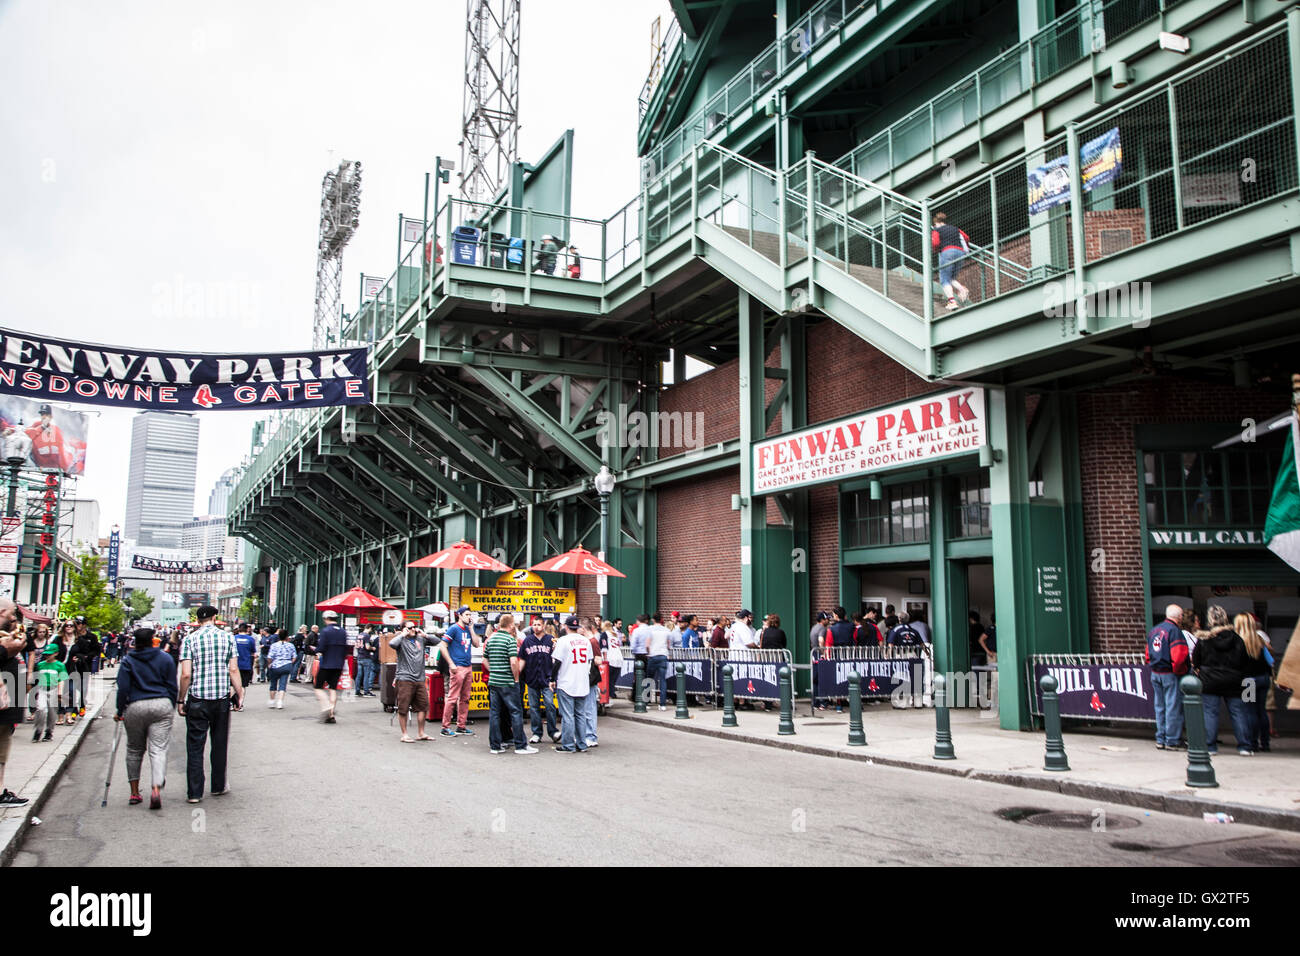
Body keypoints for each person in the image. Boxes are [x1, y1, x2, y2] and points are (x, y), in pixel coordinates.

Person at [177, 606, 242, 804]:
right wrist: (239, 693)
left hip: (197, 699)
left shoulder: (189, 639)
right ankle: (218, 786)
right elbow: (233, 669)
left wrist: (181, 699)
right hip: (221, 698)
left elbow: (186, 674)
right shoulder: (228, 638)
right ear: (215, 617)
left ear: (197, 620)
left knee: (195, 746)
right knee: (220, 743)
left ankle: (195, 793)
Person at [115, 627, 177, 810]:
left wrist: (120, 710)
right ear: (152, 640)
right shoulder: (165, 658)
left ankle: (134, 792)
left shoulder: (128, 660)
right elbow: (172, 686)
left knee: (134, 749)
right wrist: (171, 705)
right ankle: (156, 787)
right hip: (161, 704)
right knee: (158, 748)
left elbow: (123, 688)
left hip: (135, 705)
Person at [1190, 605, 1253, 756]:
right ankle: (1245, 746)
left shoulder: (1205, 640)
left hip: (1210, 681)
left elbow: (1196, 660)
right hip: (1234, 680)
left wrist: (1200, 670)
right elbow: (1244, 661)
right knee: (1238, 713)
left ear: (1210, 620)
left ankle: (1211, 746)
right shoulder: (1237, 639)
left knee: (1210, 713)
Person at [484, 614, 534, 755]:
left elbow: (484, 660)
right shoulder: (510, 640)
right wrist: (516, 678)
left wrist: (494, 670)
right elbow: (513, 662)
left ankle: (495, 745)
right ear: (511, 625)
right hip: (508, 681)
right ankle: (520, 745)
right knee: (516, 712)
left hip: (494, 681)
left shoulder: (491, 639)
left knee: (495, 713)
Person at [1145, 604, 1190, 751]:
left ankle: (1161, 738)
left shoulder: (1154, 631)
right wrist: (1179, 671)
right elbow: (1179, 655)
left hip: (1156, 672)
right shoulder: (1175, 631)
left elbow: (1147, 654)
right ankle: (1172, 740)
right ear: (1179, 617)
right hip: (1170, 673)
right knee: (1172, 707)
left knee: (1160, 707)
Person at [0, 600, 30, 806]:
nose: (14, 618)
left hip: (8, 702)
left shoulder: (10, 634)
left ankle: (1, 791)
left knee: (3, 745)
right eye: (11, 614)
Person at [550, 620, 594, 753]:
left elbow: (557, 662)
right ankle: (581, 744)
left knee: (568, 715)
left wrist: (552, 679)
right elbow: (589, 661)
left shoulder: (563, 640)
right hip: (582, 681)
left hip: (567, 681)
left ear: (566, 627)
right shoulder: (586, 641)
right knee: (580, 714)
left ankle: (568, 745)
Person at [1234, 613, 1274, 754]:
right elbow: (1271, 661)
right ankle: (1265, 743)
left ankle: (1252, 743)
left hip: (1248, 681)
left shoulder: (1238, 641)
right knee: (1261, 711)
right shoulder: (1259, 639)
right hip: (1264, 678)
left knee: (1249, 711)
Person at [389, 623, 432, 742]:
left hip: (419, 679)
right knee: (403, 707)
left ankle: (421, 733)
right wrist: (403, 634)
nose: (412, 629)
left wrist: (425, 635)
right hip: (405, 678)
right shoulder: (401, 641)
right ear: (404, 629)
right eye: (409, 627)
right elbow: (392, 644)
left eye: (414, 627)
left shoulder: (420, 639)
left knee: (423, 706)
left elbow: (437, 641)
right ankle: (404, 734)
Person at [440, 607, 478, 737]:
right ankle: (445, 726)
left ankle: (461, 725)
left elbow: (477, 644)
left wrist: (472, 628)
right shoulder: (454, 629)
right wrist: (451, 663)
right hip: (458, 666)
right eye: (467, 614)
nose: (469, 617)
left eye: (470, 615)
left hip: (467, 666)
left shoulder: (467, 629)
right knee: (453, 697)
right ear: (459, 616)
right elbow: (442, 645)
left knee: (465, 698)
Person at [520, 618, 558, 744]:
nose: (536, 627)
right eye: (534, 625)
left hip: (547, 678)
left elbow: (555, 658)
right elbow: (522, 658)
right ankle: (537, 733)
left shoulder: (550, 639)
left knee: (550, 705)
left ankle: (553, 732)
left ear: (543, 626)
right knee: (534, 707)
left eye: (538, 625)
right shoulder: (528, 640)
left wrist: (554, 676)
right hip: (532, 678)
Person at [311, 611, 349, 723]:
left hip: (326, 663)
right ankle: (331, 714)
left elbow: (321, 647)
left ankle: (327, 706)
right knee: (333, 688)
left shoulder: (326, 631)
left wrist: (316, 650)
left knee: (318, 687)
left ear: (326, 618)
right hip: (339, 664)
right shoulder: (343, 631)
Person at [931, 211, 971, 310]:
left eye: (935, 225)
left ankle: (952, 301)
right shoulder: (955, 229)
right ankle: (962, 290)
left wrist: (936, 250)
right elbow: (966, 237)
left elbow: (935, 243)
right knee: (951, 278)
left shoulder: (937, 230)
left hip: (947, 252)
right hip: (960, 253)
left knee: (944, 279)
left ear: (937, 223)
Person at [31, 643, 65, 742]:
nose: (47, 656)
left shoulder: (60, 665)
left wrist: (60, 692)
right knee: (41, 709)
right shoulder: (40, 665)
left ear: (56, 653)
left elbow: (62, 679)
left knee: (52, 712)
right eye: (46, 654)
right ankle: (38, 730)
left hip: (54, 689)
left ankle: (49, 731)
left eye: (50, 654)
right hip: (42, 689)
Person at [645, 611, 672, 711]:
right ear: (661, 620)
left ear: (653, 620)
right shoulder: (666, 630)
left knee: (649, 679)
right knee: (663, 680)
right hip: (663, 655)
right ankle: (662, 704)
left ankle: (646, 701)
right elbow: (668, 645)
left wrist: (648, 652)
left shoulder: (649, 629)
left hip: (653, 655)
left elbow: (647, 644)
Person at [265, 629, 295, 708]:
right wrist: (290, 662)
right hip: (286, 665)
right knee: (283, 684)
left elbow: (269, 657)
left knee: (273, 684)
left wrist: (269, 663)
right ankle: (280, 702)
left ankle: (272, 701)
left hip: (275, 665)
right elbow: (294, 657)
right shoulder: (291, 645)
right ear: (287, 637)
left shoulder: (274, 645)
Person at [602, 620, 624, 699]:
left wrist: (604, 659)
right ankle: (612, 693)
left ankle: (610, 694)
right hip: (619, 658)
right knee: (613, 679)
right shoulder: (614, 635)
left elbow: (604, 648)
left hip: (610, 658)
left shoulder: (605, 634)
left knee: (609, 679)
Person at [233, 623, 257, 693]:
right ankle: (240, 702)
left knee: (232, 685)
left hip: (235, 665)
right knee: (243, 685)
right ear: (247, 629)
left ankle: (232, 702)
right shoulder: (251, 639)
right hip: (246, 665)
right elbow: (253, 652)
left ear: (238, 629)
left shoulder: (233, 638)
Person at [354, 626, 377, 698]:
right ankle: (366, 691)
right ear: (370, 628)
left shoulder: (359, 635)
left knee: (359, 675)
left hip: (359, 656)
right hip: (366, 657)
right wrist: (372, 648)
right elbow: (367, 647)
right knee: (366, 675)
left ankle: (357, 691)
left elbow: (356, 646)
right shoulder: (366, 636)